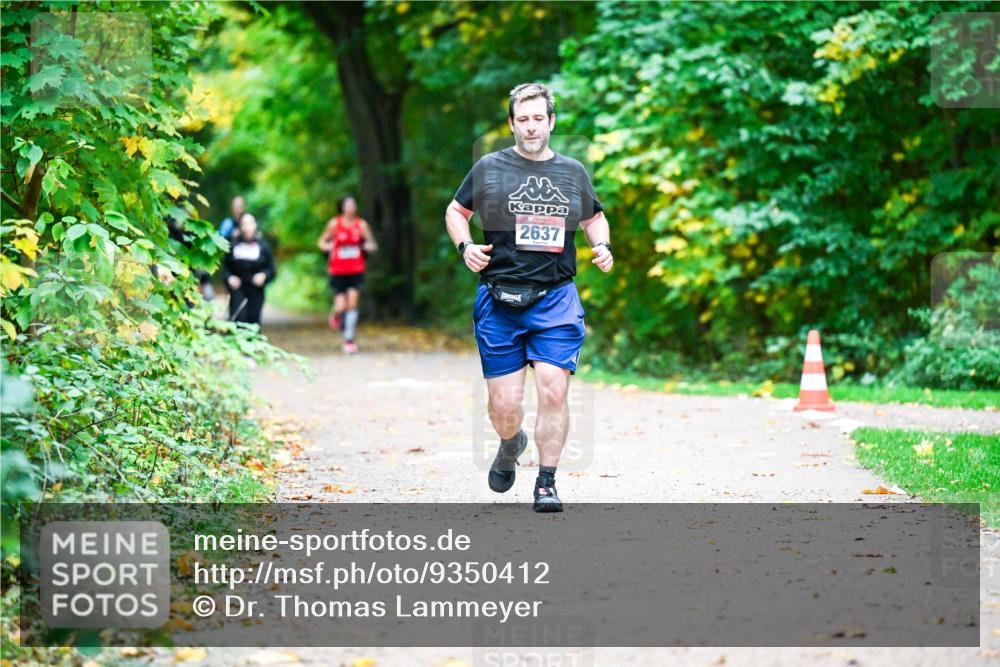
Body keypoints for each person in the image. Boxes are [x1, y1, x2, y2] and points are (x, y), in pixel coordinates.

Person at [444, 83, 613, 513]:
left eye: (539, 118)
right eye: (523, 119)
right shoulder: (489, 167)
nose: (532, 126)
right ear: (512, 123)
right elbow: (455, 212)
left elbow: (595, 216)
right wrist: (466, 247)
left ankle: (546, 482)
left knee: (554, 391)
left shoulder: (573, 172)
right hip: (499, 300)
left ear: (551, 122)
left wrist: (602, 246)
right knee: (505, 405)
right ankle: (509, 441)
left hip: (556, 299)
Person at [317, 195, 377, 354]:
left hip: (356, 269)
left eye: (353, 204)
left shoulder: (361, 224)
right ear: (342, 206)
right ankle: (336, 314)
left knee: (352, 304)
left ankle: (349, 339)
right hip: (338, 269)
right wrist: (327, 246)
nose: (351, 207)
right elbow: (321, 241)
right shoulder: (334, 223)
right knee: (340, 305)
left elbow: (371, 243)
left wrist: (368, 246)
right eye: (348, 204)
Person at [222, 213, 276, 325]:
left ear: (255, 225)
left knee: (253, 322)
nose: (247, 227)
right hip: (237, 290)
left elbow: (272, 270)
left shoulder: (263, 246)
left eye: (250, 223)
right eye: (244, 224)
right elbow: (225, 269)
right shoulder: (233, 246)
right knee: (238, 320)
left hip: (256, 291)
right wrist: (230, 278)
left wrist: (264, 276)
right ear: (240, 226)